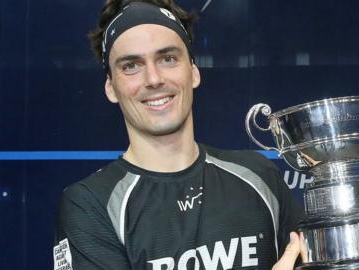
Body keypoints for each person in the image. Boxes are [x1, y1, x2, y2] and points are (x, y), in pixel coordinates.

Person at [53, 0, 306, 269]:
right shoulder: (91, 205)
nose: (153, 78)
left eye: (168, 58)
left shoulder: (260, 176)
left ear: (194, 71)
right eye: (131, 66)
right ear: (111, 88)